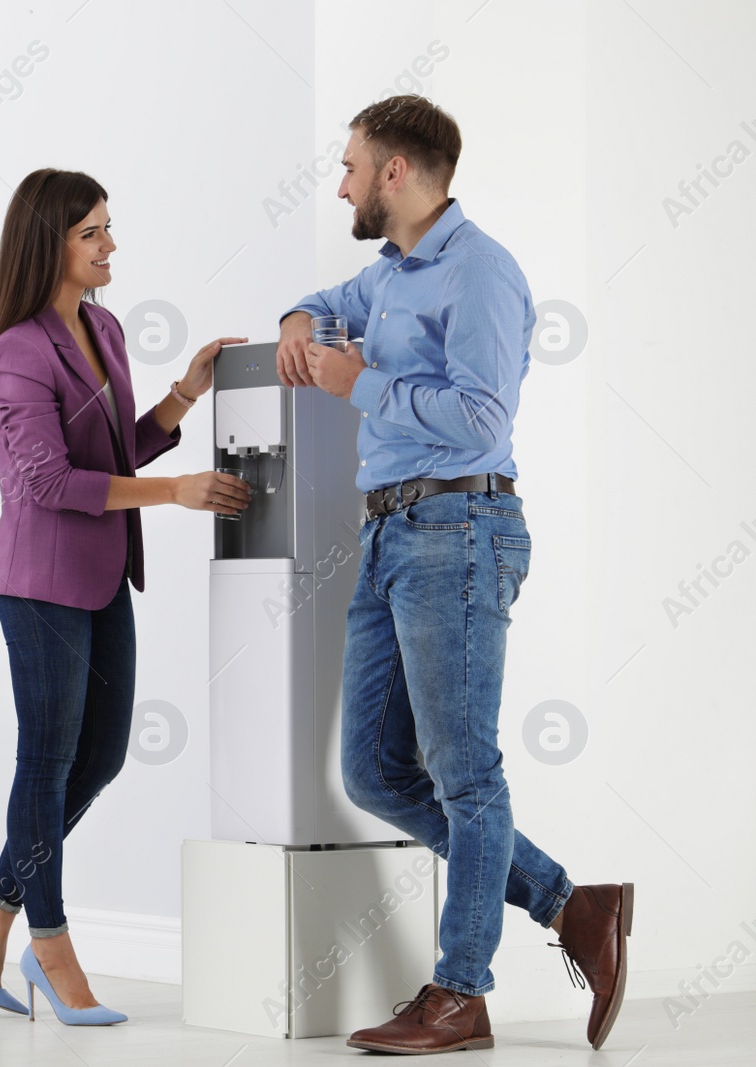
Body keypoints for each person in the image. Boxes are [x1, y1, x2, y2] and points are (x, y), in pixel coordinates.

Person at [278, 94, 632, 1054]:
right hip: (391, 535)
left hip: (460, 525)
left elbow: (484, 420)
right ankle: (573, 905)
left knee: (466, 774)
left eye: (352, 165)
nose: (343, 182)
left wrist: (365, 384)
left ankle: (461, 992)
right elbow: (326, 306)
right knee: (374, 770)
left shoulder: (480, 273)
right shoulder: (390, 274)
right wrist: (298, 319)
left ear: (396, 172)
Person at [0, 168, 251, 1026]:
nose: (110, 246)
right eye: (92, 234)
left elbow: (114, 452)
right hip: (38, 584)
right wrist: (177, 492)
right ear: (51, 246)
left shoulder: (104, 327)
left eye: (109, 228)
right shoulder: (16, 350)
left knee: (101, 756)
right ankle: (51, 941)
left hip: (103, 575)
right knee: (46, 759)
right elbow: (48, 480)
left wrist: (184, 392)